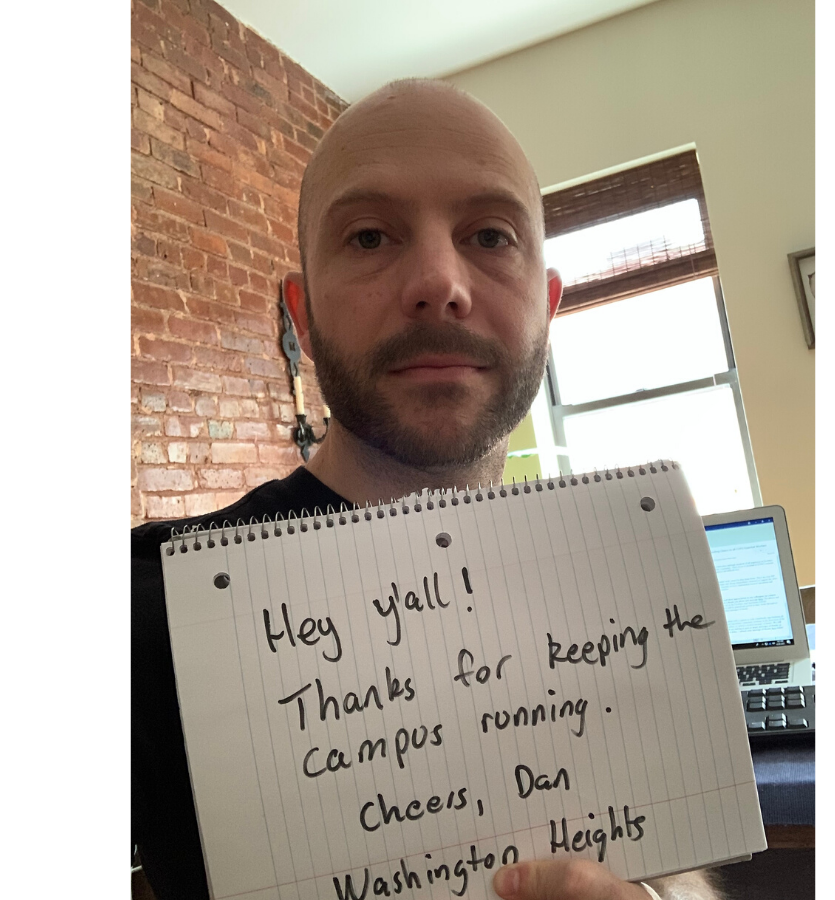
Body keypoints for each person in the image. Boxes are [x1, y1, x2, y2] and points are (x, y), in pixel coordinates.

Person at [131, 78, 723, 900]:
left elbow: (675, 862)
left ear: (547, 310)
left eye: (490, 233)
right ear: (300, 319)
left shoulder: (630, 589)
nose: (439, 281)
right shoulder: (151, 603)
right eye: (370, 237)